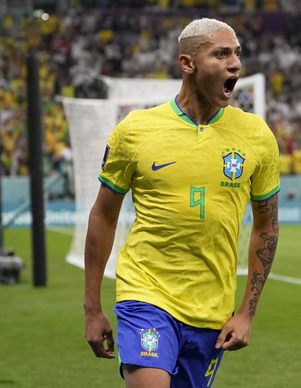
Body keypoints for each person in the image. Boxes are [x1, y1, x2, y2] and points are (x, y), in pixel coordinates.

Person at [83, 18, 280, 388]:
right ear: (187, 64)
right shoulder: (135, 131)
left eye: (237, 54)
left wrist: (246, 312)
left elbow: (267, 226)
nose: (235, 64)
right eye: (221, 54)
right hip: (146, 295)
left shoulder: (257, 136)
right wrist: (92, 308)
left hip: (211, 311)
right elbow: (103, 216)